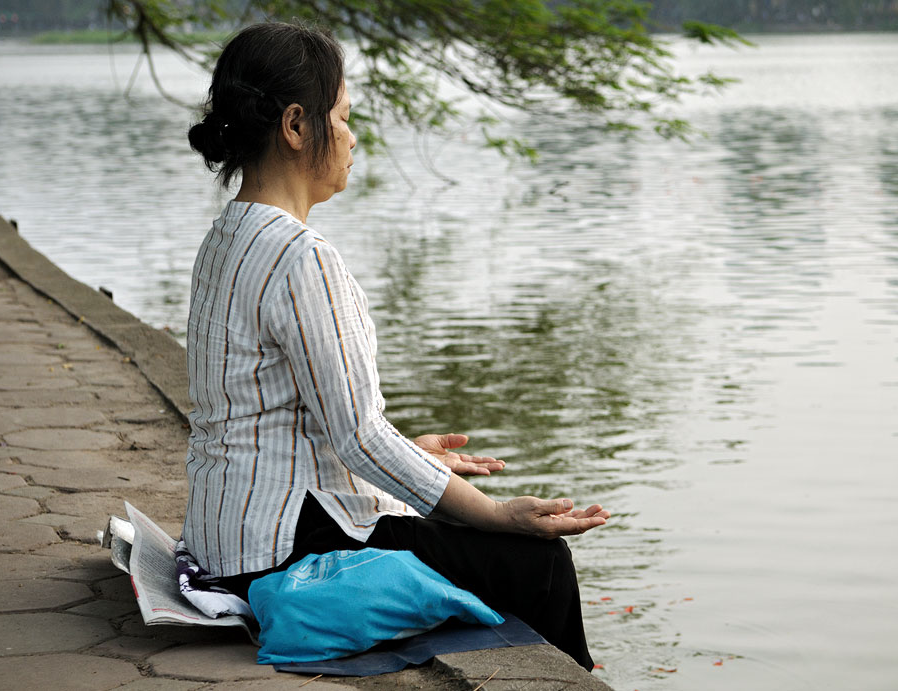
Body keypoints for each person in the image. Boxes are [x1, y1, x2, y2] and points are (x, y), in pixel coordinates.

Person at [182, 21, 609, 670]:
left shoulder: (226, 237)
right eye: (344, 117)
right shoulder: (301, 257)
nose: (353, 138)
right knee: (539, 560)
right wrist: (496, 514)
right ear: (297, 127)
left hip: (226, 535)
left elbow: (280, 418)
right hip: (281, 554)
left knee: (437, 511)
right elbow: (359, 437)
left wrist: (409, 455)